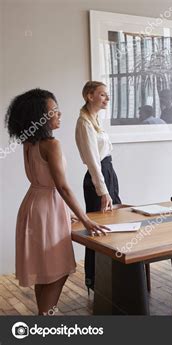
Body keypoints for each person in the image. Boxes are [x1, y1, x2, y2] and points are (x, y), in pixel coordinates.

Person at [5, 89, 109, 315]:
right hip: (47, 209)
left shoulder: (29, 143)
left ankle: (43, 316)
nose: (59, 114)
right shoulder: (51, 144)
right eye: (54, 111)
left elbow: (48, 183)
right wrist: (85, 219)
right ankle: (45, 318)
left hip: (34, 204)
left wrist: (66, 212)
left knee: (44, 270)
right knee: (58, 270)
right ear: (40, 118)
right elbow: (61, 186)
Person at [75, 81, 122, 292]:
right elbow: (93, 162)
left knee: (115, 224)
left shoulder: (95, 120)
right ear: (89, 96)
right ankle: (94, 279)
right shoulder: (84, 123)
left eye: (107, 95)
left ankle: (112, 275)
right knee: (97, 229)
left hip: (108, 174)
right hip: (98, 178)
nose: (107, 98)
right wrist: (102, 191)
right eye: (102, 95)